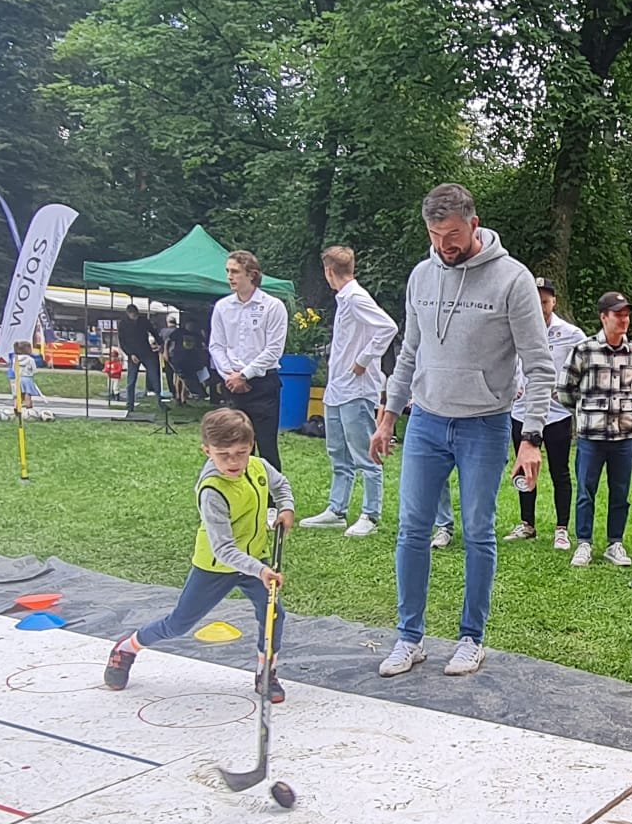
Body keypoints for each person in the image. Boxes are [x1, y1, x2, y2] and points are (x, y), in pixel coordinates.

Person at [370, 182, 552, 678]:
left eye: (452, 234)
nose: (443, 245)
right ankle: (409, 637)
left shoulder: (512, 279)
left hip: (484, 424)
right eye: (434, 235)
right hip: (426, 420)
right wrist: (388, 415)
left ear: (474, 224)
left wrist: (531, 437)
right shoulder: (421, 275)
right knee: (412, 528)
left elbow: (539, 366)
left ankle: (472, 638)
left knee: (477, 530)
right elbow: (410, 351)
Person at [104, 408, 296, 703]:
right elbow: (223, 548)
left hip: (256, 558)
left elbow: (281, 485)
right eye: (223, 455)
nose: (233, 462)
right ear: (207, 451)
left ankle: (266, 673)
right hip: (216, 566)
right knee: (178, 623)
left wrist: (286, 508)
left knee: (273, 614)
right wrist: (260, 570)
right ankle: (128, 647)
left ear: (251, 446)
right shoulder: (212, 491)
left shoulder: (258, 467)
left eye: (241, 453)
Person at [299, 247, 400, 537]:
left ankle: (370, 513)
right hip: (337, 387)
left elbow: (388, 327)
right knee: (338, 451)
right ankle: (337, 509)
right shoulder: (345, 298)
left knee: (364, 452)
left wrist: (363, 360)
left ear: (328, 271)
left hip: (356, 388)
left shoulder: (356, 297)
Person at [556, 291, 632, 568]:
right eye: (617, 314)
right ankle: (584, 543)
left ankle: (615, 543)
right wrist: (587, 411)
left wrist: (627, 409)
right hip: (591, 436)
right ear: (603, 317)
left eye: (626, 315)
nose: (624, 320)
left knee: (620, 492)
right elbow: (565, 390)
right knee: (585, 491)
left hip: (624, 436)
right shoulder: (584, 350)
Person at [505, 277, 584, 549]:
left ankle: (562, 528)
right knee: (524, 468)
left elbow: (585, 363)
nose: (540, 307)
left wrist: (567, 390)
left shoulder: (570, 334)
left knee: (560, 471)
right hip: (522, 411)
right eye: (535, 301)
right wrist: (513, 386)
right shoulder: (517, 328)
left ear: (554, 302)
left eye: (545, 301)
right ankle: (527, 523)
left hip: (556, 413)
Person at [210, 250, 288, 469]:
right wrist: (230, 375)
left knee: (266, 446)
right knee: (235, 446)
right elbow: (216, 345)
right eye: (228, 271)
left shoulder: (272, 306)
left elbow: (273, 349)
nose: (229, 277)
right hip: (231, 383)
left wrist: (245, 375)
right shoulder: (222, 307)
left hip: (263, 384)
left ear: (252, 275)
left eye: (235, 272)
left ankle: (271, 490)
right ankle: (239, 487)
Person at [117, 303, 160, 410]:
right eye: (132, 315)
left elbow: (153, 331)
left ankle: (160, 401)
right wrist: (130, 354)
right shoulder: (123, 324)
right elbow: (122, 342)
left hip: (146, 352)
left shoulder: (143, 321)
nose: (134, 317)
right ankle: (130, 404)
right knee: (131, 381)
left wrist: (160, 343)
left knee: (154, 377)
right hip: (133, 354)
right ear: (128, 314)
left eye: (136, 315)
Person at [163, 315, 212, 404]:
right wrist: (165, 352)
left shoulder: (196, 335)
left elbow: (203, 345)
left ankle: (183, 398)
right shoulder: (179, 332)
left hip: (190, 360)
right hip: (179, 358)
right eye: (190, 324)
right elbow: (167, 341)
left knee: (184, 379)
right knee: (180, 378)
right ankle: (178, 397)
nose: (191, 326)